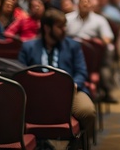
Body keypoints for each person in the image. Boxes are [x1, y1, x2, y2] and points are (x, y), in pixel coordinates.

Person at [18, 8, 96, 143]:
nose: (64, 29)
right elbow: (20, 73)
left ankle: (76, 144)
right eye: (60, 26)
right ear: (47, 28)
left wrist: (74, 84)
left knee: (87, 111)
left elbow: (81, 72)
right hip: (37, 95)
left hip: (69, 92)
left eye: (64, 25)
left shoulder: (73, 46)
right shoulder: (28, 47)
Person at [66, 0, 118, 103]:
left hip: (93, 58)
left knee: (107, 55)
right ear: (77, 4)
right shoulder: (68, 18)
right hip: (70, 55)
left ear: (91, 5)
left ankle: (106, 91)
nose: (85, 4)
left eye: (88, 1)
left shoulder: (99, 20)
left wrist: (99, 40)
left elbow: (108, 38)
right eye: (82, 1)